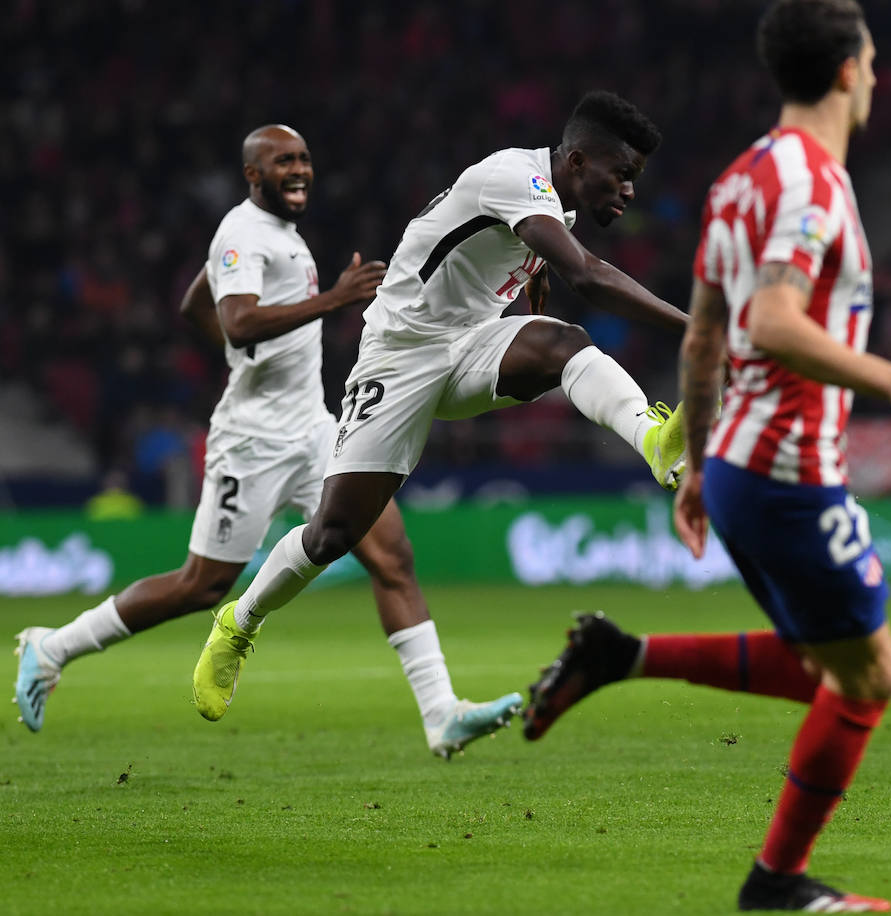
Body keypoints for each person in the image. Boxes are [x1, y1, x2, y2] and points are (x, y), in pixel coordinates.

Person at [522, 2, 891, 911]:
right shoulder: (813, 185)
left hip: (736, 465)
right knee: (871, 677)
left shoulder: (740, 181)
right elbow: (769, 322)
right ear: (849, 71)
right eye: (875, 61)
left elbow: (704, 342)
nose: (881, 77)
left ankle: (620, 656)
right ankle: (775, 883)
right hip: (785, 469)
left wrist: (696, 463)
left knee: (828, 664)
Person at [15, 125, 521, 759]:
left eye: (305, 158)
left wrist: (242, 353)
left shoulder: (281, 235)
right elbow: (235, 317)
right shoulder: (243, 234)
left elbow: (195, 303)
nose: (300, 169)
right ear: (253, 174)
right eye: (284, 161)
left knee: (393, 558)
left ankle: (442, 713)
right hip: (251, 444)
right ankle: (52, 646)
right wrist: (330, 301)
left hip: (314, 428)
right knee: (202, 586)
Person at [190, 93, 689, 721]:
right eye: (623, 173)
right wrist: (696, 328)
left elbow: (531, 285)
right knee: (333, 533)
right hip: (399, 359)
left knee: (564, 342)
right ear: (580, 159)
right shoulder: (516, 177)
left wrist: (528, 324)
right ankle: (239, 621)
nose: (628, 190)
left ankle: (655, 440)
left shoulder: (556, 204)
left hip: (469, 345)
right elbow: (586, 276)